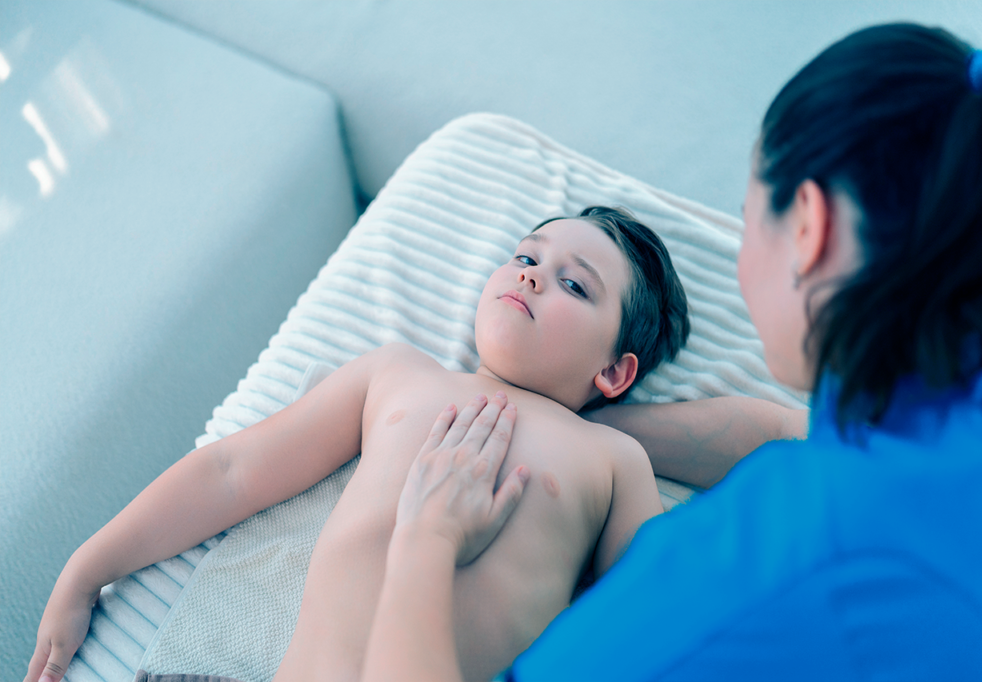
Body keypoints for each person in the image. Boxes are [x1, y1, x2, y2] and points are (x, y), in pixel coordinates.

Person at [363, 23, 982, 681]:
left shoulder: (734, 574)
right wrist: (562, 412)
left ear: (807, 227)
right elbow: (792, 435)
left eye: (746, 216)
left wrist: (425, 541)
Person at [26, 206, 799, 682]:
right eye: (527, 256)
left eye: (574, 285)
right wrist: (85, 571)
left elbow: (654, 612)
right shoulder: (397, 376)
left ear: (615, 371)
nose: (531, 277)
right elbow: (233, 471)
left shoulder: (610, 460)